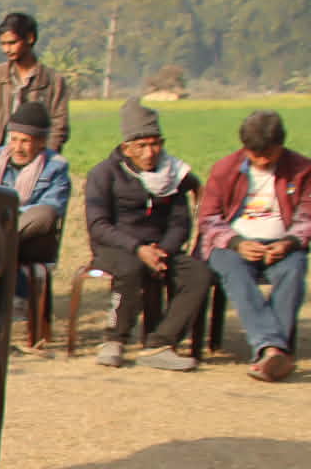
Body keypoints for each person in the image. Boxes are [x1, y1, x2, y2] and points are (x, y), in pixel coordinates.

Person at [83, 101, 206, 372]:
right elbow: (98, 225)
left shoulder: (171, 175)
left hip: (161, 250)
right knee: (131, 267)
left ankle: (160, 343)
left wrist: (163, 251)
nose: (150, 153)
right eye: (141, 146)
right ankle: (114, 339)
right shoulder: (104, 174)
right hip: (117, 248)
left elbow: (180, 223)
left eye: (155, 144)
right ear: (126, 148)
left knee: (198, 274)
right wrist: (138, 248)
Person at [198, 109, 308, 383]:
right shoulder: (225, 169)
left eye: (268, 154)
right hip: (231, 244)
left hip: (283, 244)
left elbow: (307, 217)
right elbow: (208, 219)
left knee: (293, 271)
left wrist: (288, 242)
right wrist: (237, 243)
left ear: (281, 145)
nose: (261, 160)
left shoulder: (302, 170)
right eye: (254, 154)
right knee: (235, 273)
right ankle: (273, 349)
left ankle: (269, 352)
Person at [0, 102, 71, 265]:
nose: (17, 148)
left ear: (41, 143)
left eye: (25, 141)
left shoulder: (55, 166)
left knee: (45, 213)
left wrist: (10, 215)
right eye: (14, 139)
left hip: (28, 238)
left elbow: (53, 208)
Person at [0, 12, 70, 157]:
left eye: (12, 43)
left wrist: (45, 159)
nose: (6, 49)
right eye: (3, 44)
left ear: (30, 38)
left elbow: (59, 127)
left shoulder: (52, 81)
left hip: (37, 157)